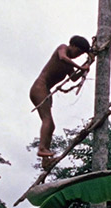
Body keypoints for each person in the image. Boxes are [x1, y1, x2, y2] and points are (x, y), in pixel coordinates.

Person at [30, 35, 92, 163]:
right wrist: (81, 67)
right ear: (72, 45)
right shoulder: (62, 48)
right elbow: (62, 57)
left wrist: (88, 63)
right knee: (47, 120)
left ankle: (46, 159)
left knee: (51, 125)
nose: (77, 55)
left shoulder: (69, 64)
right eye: (78, 52)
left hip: (46, 91)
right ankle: (42, 148)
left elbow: (74, 78)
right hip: (39, 88)